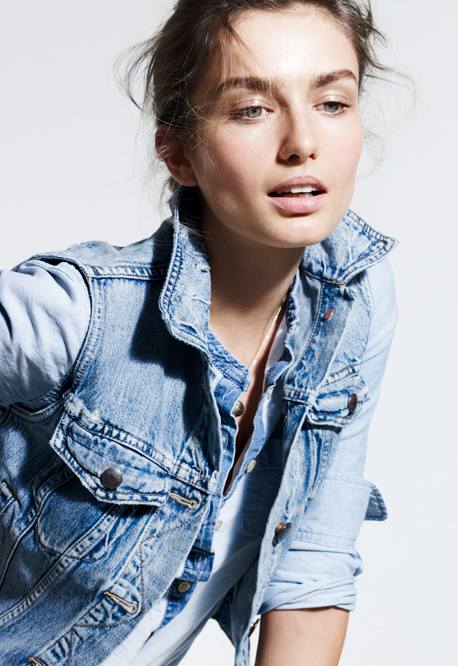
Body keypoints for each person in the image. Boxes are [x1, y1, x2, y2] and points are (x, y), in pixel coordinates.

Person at [0, 1, 399, 664]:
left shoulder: (351, 302)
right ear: (179, 152)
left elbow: (311, 566)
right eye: (252, 109)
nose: (302, 142)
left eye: (332, 102)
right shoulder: (76, 314)